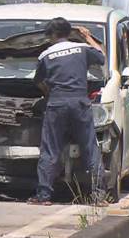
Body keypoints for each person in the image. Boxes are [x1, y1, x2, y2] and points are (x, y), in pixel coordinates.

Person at [29, 17, 106, 206]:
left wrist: (50, 94)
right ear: (68, 33)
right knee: (90, 148)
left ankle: (44, 196)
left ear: (54, 34)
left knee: (50, 150)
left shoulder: (46, 55)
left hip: (56, 104)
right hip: (80, 102)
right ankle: (98, 196)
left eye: (49, 35)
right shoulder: (83, 49)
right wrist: (87, 36)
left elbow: (38, 81)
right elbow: (102, 57)